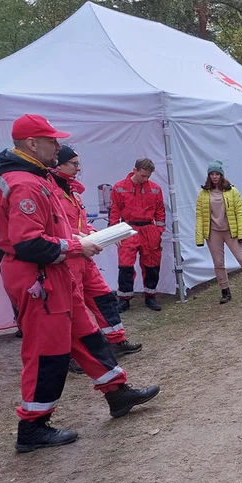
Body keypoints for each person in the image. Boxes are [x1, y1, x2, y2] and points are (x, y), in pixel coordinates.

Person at [0, 114, 160, 452]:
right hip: (40, 278)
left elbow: (44, 232)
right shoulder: (24, 183)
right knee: (47, 352)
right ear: (32, 144)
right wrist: (76, 245)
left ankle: (117, 393)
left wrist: (73, 239)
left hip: (54, 274)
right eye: (51, 141)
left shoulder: (32, 178)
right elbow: (28, 244)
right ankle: (33, 427)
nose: (58, 146)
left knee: (87, 334)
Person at [51, 145, 143, 360]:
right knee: (73, 309)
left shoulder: (72, 190)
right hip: (68, 258)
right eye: (73, 164)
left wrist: (91, 232)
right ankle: (73, 356)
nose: (78, 168)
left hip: (83, 256)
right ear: (59, 164)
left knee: (104, 297)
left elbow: (80, 220)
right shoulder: (50, 191)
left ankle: (117, 341)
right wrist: (77, 238)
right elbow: (54, 227)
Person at [195, 159, 242, 304]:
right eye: (212, 174)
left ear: (222, 175)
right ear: (209, 176)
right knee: (218, 263)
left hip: (230, 231)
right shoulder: (203, 193)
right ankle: (225, 291)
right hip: (213, 232)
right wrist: (199, 237)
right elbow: (200, 215)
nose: (214, 176)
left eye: (217, 174)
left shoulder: (232, 191)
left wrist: (241, 233)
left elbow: (240, 212)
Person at [110, 158, 166, 312]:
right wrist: (116, 234)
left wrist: (159, 231)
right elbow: (114, 211)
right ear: (135, 170)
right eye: (143, 176)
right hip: (128, 229)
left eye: (148, 176)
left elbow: (160, 211)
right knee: (125, 266)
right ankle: (124, 299)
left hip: (149, 229)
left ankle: (151, 297)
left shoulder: (155, 189)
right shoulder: (119, 188)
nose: (145, 179)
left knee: (152, 265)